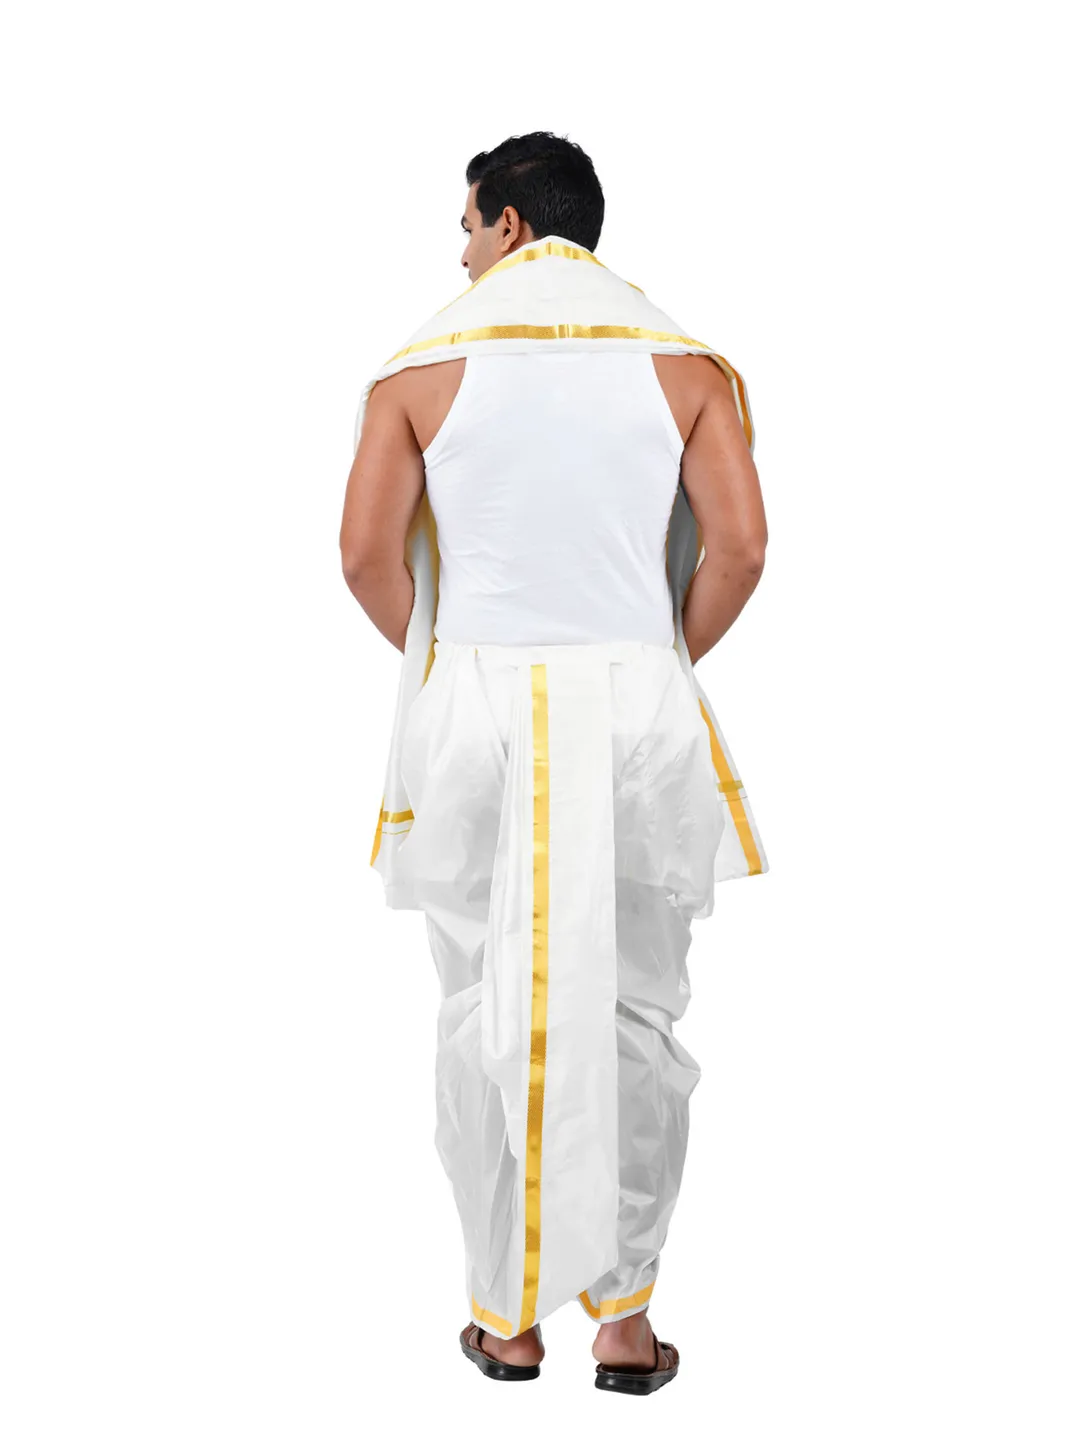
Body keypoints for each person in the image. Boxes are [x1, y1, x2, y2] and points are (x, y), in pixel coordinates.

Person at [340, 131, 769, 1394]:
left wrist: (451, 662)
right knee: (636, 1005)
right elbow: (741, 548)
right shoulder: (685, 366)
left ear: (513, 224)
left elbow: (365, 556)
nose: (463, 256)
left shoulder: (420, 369)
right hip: (638, 706)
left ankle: (507, 1315)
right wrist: (653, 656)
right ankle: (625, 1324)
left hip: (476, 709)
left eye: (469, 228)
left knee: (485, 1001)